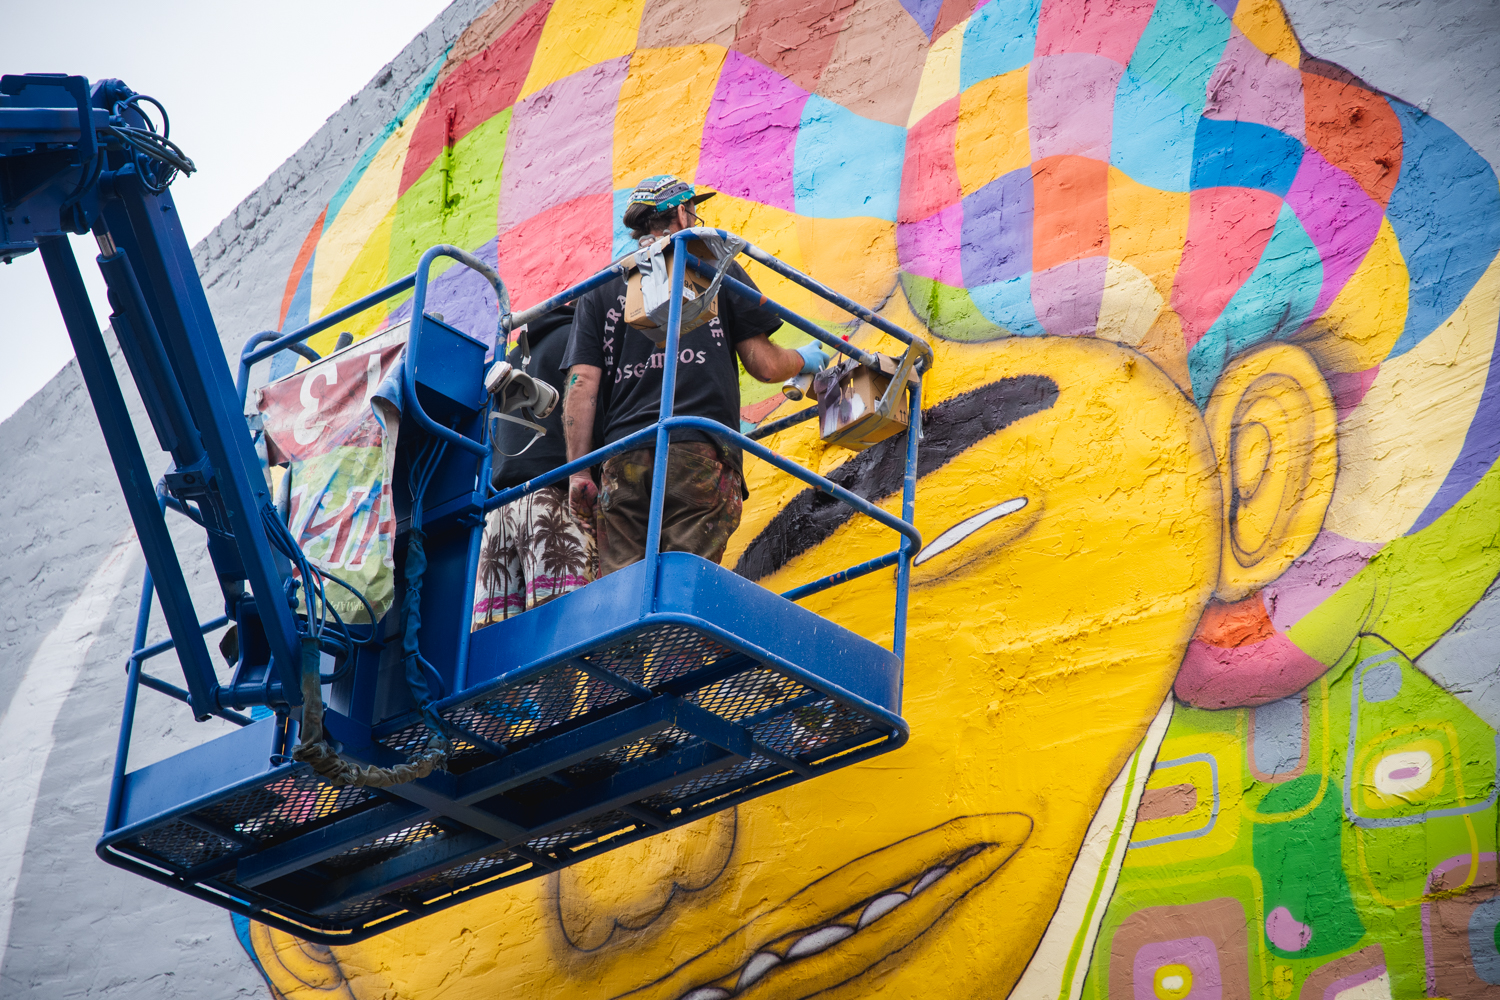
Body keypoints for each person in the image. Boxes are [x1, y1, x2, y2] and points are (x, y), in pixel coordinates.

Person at [559, 174, 829, 575]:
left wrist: (580, 471)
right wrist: (804, 360)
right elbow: (766, 365)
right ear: (682, 213)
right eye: (695, 211)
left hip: (623, 459)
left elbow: (581, 385)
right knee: (683, 586)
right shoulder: (713, 266)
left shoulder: (603, 285)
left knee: (625, 589)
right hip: (699, 449)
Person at [471, 304, 594, 628]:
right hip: (553, 499)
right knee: (563, 629)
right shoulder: (578, 342)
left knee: (497, 642)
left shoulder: (510, 359)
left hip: (498, 510)